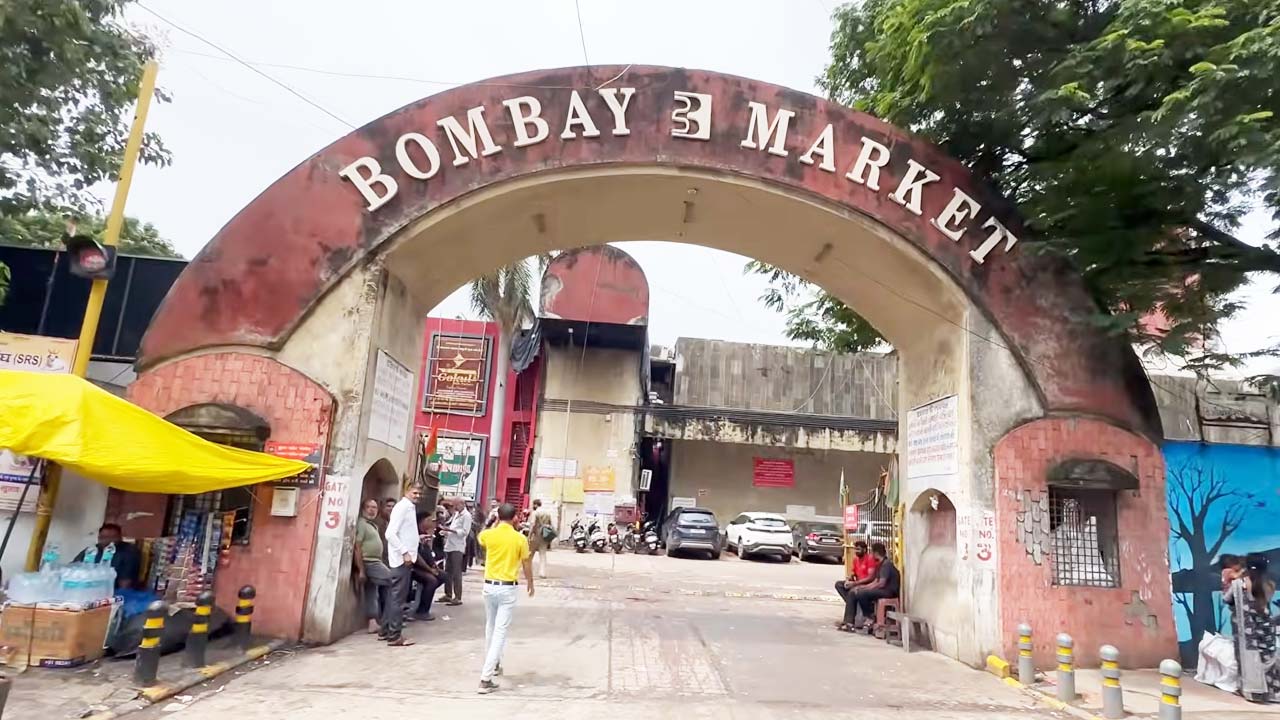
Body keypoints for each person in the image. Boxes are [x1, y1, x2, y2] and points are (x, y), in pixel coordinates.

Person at [476, 503, 535, 694]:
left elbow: (481, 537)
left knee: (490, 627)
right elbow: (526, 563)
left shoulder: (489, 535)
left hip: (489, 586)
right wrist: (530, 583)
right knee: (500, 632)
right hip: (507, 588)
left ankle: (493, 665)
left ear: (498, 516)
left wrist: (494, 523)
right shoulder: (520, 539)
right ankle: (486, 678)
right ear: (515, 517)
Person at [1227, 553, 1278, 703]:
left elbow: (1227, 599)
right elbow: (1264, 605)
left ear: (1247, 567)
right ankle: (1269, 691)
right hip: (1265, 629)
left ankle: (1249, 690)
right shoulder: (1270, 585)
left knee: (1246, 659)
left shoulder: (1239, 585)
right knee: (1267, 659)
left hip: (1247, 632)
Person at [382, 483, 423, 647]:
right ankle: (394, 635)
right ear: (406, 491)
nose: (417, 495)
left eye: (419, 493)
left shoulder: (409, 508)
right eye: (414, 492)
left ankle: (386, 630)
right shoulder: (402, 508)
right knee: (398, 599)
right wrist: (404, 551)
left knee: (394, 597)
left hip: (404, 559)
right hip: (401, 560)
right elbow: (390, 533)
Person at [835, 542, 899, 633]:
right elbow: (876, 582)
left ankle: (869, 616)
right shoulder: (880, 564)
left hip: (889, 591)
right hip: (882, 589)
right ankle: (849, 622)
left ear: (876, 553)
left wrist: (863, 588)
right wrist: (862, 587)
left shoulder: (886, 565)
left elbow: (881, 583)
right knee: (858, 592)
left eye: (872, 553)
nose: (871, 555)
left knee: (861, 594)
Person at [354, 499, 392, 634]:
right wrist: (362, 570)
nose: (371, 510)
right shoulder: (362, 524)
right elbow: (357, 547)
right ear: (363, 509)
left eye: (374, 507)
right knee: (394, 582)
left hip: (375, 561)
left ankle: (373, 622)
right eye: (368, 507)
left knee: (371, 592)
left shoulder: (372, 525)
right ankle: (390, 621)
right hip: (370, 562)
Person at [73, 523, 141, 590]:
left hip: (114, 591)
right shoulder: (92, 550)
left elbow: (125, 584)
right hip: (88, 589)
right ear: (99, 538)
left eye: (113, 537)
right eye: (103, 537)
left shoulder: (129, 552)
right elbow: (74, 567)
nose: (108, 540)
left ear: (120, 537)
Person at [410, 513, 445, 621]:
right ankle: (422, 611)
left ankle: (424, 598)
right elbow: (418, 557)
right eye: (429, 520)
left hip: (424, 566)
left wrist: (434, 566)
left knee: (443, 576)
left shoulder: (426, 534)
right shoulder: (414, 534)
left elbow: (428, 553)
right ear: (422, 521)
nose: (431, 523)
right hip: (413, 566)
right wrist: (430, 570)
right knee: (432, 580)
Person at [441, 497, 472, 606]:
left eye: (456, 505)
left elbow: (464, 532)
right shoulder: (456, 514)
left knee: (456, 572)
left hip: (457, 547)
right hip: (450, 545)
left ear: (462, 504)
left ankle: (457, 596)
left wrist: (450, 530)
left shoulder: (466, 516)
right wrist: (446, 532)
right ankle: (448, 594)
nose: (454, 507)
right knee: (448, 570)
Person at [528, 499, 555, 579]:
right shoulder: (547, 513)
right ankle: (542, 573)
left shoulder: (535, 513)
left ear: (535, 505)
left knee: (530, 554)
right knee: (543, 554)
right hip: (544, 536)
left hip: (536, 535)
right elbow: (551, 525)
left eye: (533, 505)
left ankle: (528, 570)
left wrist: (529, 535)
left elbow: (533, 525)